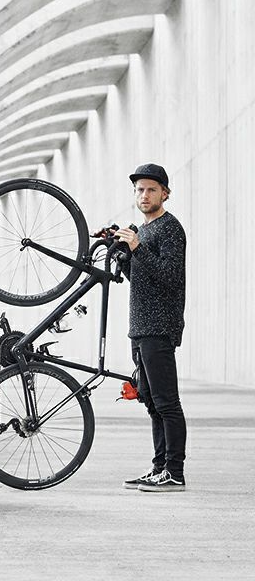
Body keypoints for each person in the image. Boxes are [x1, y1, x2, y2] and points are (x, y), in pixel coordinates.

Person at [115, 163, 187, 492]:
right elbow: (140, 278)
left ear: (165, 194)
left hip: (159, 327)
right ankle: (159, 467)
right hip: (140, 327)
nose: (144, 195)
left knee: (167, 402)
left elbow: (170, 277)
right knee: (151, 402)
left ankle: (175, 472)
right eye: (139, 190)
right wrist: (124, 255)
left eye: (151, 190)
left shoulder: (170, 228)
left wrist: (137, 248)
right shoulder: (142, 231)